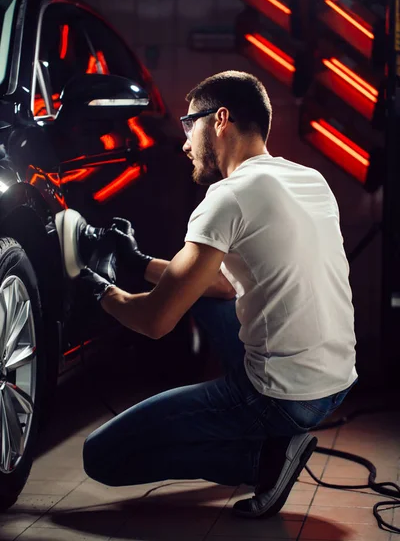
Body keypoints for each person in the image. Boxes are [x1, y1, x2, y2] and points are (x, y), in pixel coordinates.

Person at [80, 70, 358, 518]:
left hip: (280, 397)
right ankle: (272, 439)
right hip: (336, 380)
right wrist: (137, 264)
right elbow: (223, 284)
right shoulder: (309, 180)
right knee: (209, 296)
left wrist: (96, 289)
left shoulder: (226, 197)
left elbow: (155, 322)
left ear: (220, 119)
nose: (186, 142)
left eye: (191, 125)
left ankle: (261, 460)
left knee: (101, 456)